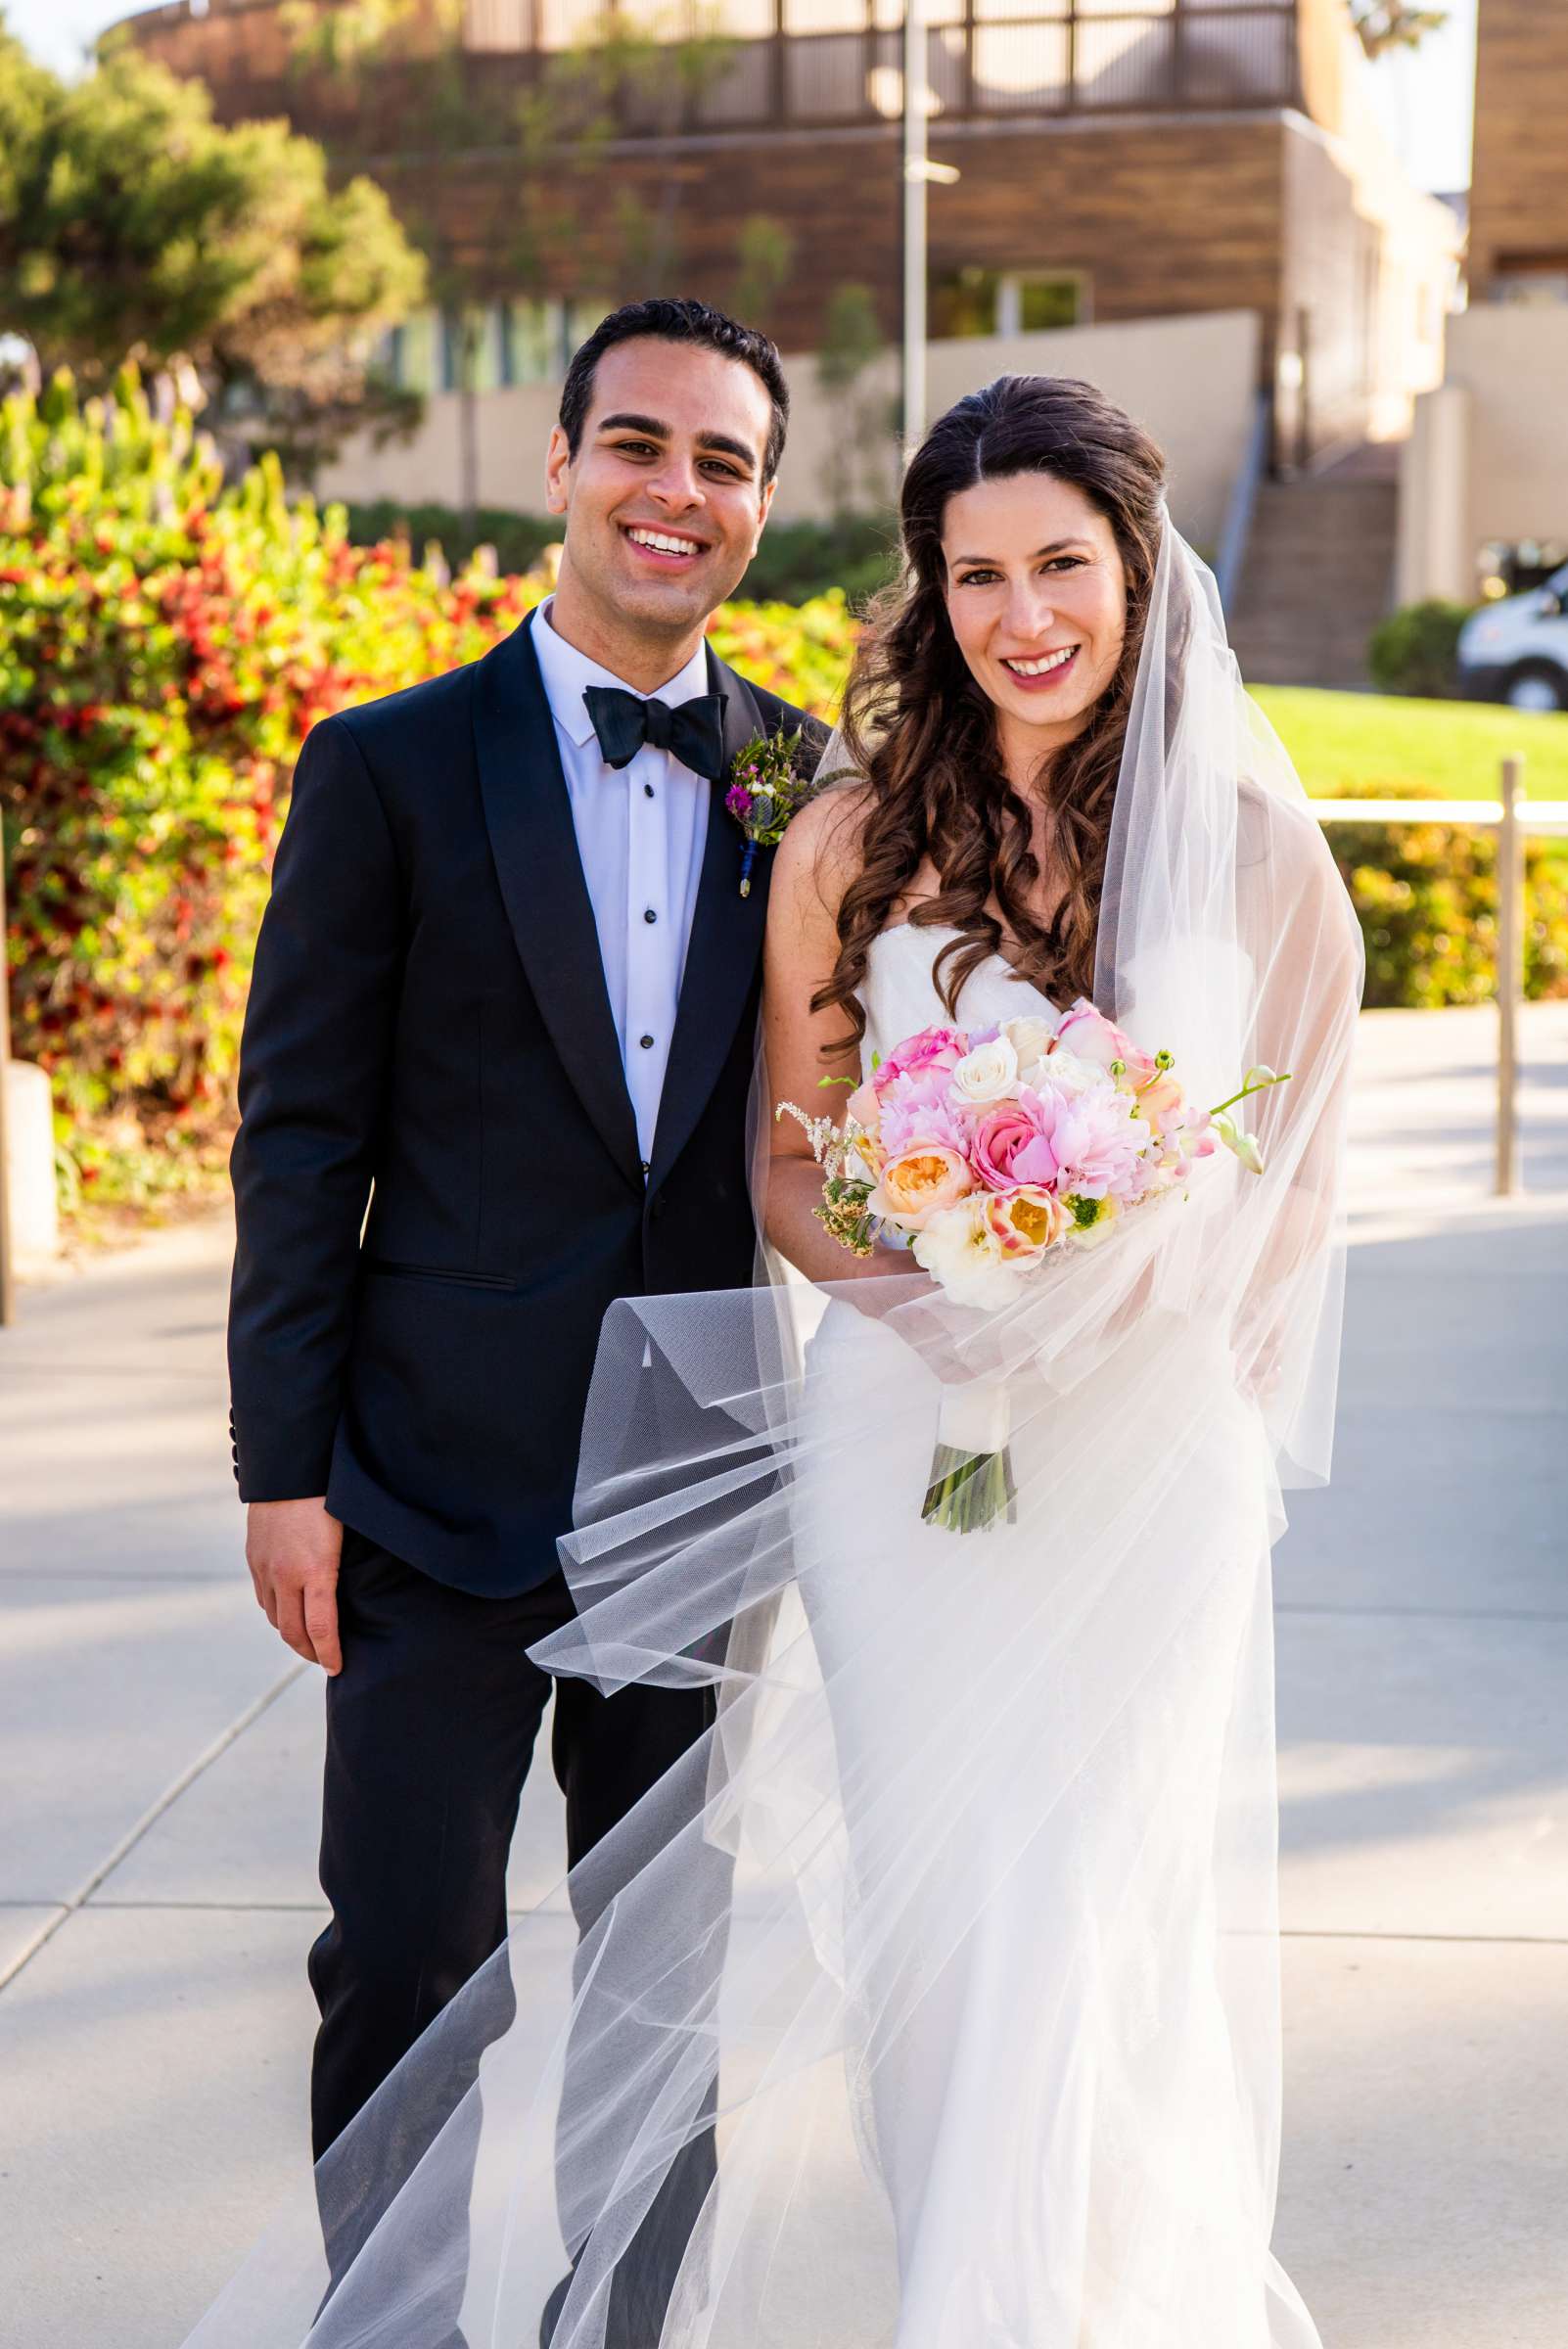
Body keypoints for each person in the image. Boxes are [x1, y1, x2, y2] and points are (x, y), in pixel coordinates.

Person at [191, 373, 1362, 2349]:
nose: (1023, 614)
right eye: (976, 573)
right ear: (930, 588)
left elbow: (1299, 1178)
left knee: (1095, 1915)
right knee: (918, 1934)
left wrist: (1120, 1314)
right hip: (895, 1450)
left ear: (1141, 574)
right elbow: (796, 1173)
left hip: (1139, 1472)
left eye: (1061, 565)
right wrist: (960, 1291)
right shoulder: (844, 827)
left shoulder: (1251, 846)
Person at [222, 297, 825, 2349]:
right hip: (424, 1475)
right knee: (404, 1958)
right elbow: (300, 1140)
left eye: (725, 462)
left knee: (661, 1979)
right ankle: (387, 2329)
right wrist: (284, 1472)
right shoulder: (389, 768)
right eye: (641, 446)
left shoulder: (805, 784)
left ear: (763, 506)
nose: (680, 493)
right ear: (561, 465)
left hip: (698, 1477)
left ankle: (625, 2327)